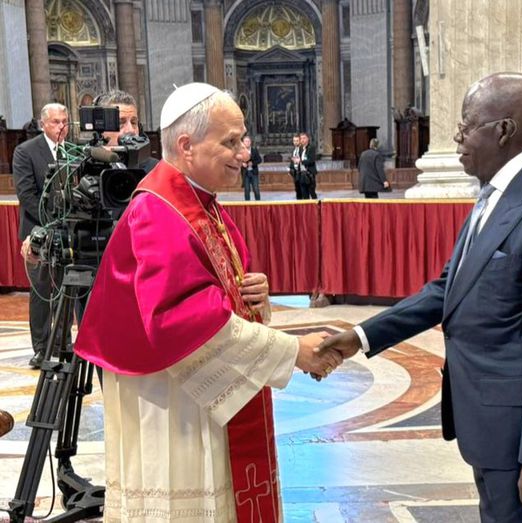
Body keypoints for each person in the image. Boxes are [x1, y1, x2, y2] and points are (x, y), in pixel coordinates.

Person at [317, 72, 522, 522]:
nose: (457, 137)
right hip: (491, 428)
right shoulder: (497, 195)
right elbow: (449, 288)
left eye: (467, 125)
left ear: (503, 130)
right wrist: (361, 337)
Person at [74, 83, 343, 522]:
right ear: (186, 146)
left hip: (199, 391)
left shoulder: (200, 203)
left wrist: (252, 290)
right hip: (170, 395)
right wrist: (294, 352)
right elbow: (182, 318)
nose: (244, 154)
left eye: (242, 140)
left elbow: (216, 286)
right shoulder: (159, 211)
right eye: (230, 142)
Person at [12, 103, 71, 368]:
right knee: (42, 290)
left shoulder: (73, 151)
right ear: (43, 124)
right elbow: (26, 194)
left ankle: (63, 343)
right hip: (38, 233)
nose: (61, 127)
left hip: (67, 233)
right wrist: (52, 221)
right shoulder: (25, 151)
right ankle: (42, 348)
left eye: (65, 122)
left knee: (65, 289)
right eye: (56, 122)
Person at [95, 89, 159, 174]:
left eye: (133, 123)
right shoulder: (89, 168)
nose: (131, 130)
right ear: (100, 131)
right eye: (121, 123)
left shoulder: (155, 169)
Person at [241, 135, 262, 200]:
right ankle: (247, 206)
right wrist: (242, 164)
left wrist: (253, 163)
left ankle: (258, 204)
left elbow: (259, 160)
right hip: (245, 173)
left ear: (250, 142)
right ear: (243, 143)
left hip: (254, 172)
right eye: (245, 141)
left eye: (248, 141)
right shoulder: (241, 151)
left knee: (256, 189)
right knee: (247, 190)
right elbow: (237, 161)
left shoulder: (254, 150)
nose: (247, 143)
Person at [299, 132, 317, 199]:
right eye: (301, 138)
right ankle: (307, 208)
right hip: (302, 174)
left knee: (312, 192)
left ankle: (315, 208)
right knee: (304, 193)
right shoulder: (300, 149)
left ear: (308, 139)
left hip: (310, 174)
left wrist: (301, 161)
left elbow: (311, 160)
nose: (302, 140)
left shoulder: (311, 147)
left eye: (304, 138)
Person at [288, 134, 305, 199]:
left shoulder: (302, 149)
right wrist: (290, 169)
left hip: (301, 172)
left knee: (302, 190)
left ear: (300, 141)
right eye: (294, 141)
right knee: (297, 190)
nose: (295, 142)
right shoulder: (294, 150)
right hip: (295, 173)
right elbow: (293, 160)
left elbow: (303, 160)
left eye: (297, 141)